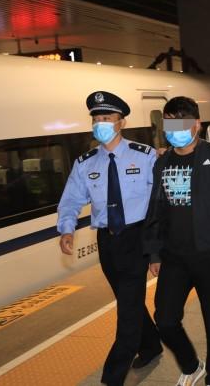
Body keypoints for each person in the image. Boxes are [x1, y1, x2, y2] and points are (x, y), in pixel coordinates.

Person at [57, 91, 162, 386]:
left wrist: (158, 245)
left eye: (106, 117)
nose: (100, 123)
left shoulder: (145, 156)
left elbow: (159, 202)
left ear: (121, 122)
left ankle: (112, 377)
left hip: (136, 237)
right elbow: (71, 200)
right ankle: (151, 345)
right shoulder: (85, 163)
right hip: (107, 240)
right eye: (96, 118)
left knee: (127, 310)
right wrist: (67, 228)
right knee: (129, 300)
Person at [141, 96, 210, 386]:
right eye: (169, 123)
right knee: (165, 319)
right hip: (174, 256)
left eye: (181, 122)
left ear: (197, 124)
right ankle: (191, 364)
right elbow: (155, 209)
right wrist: (154, 252)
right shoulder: (163, 163)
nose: (174, 130)